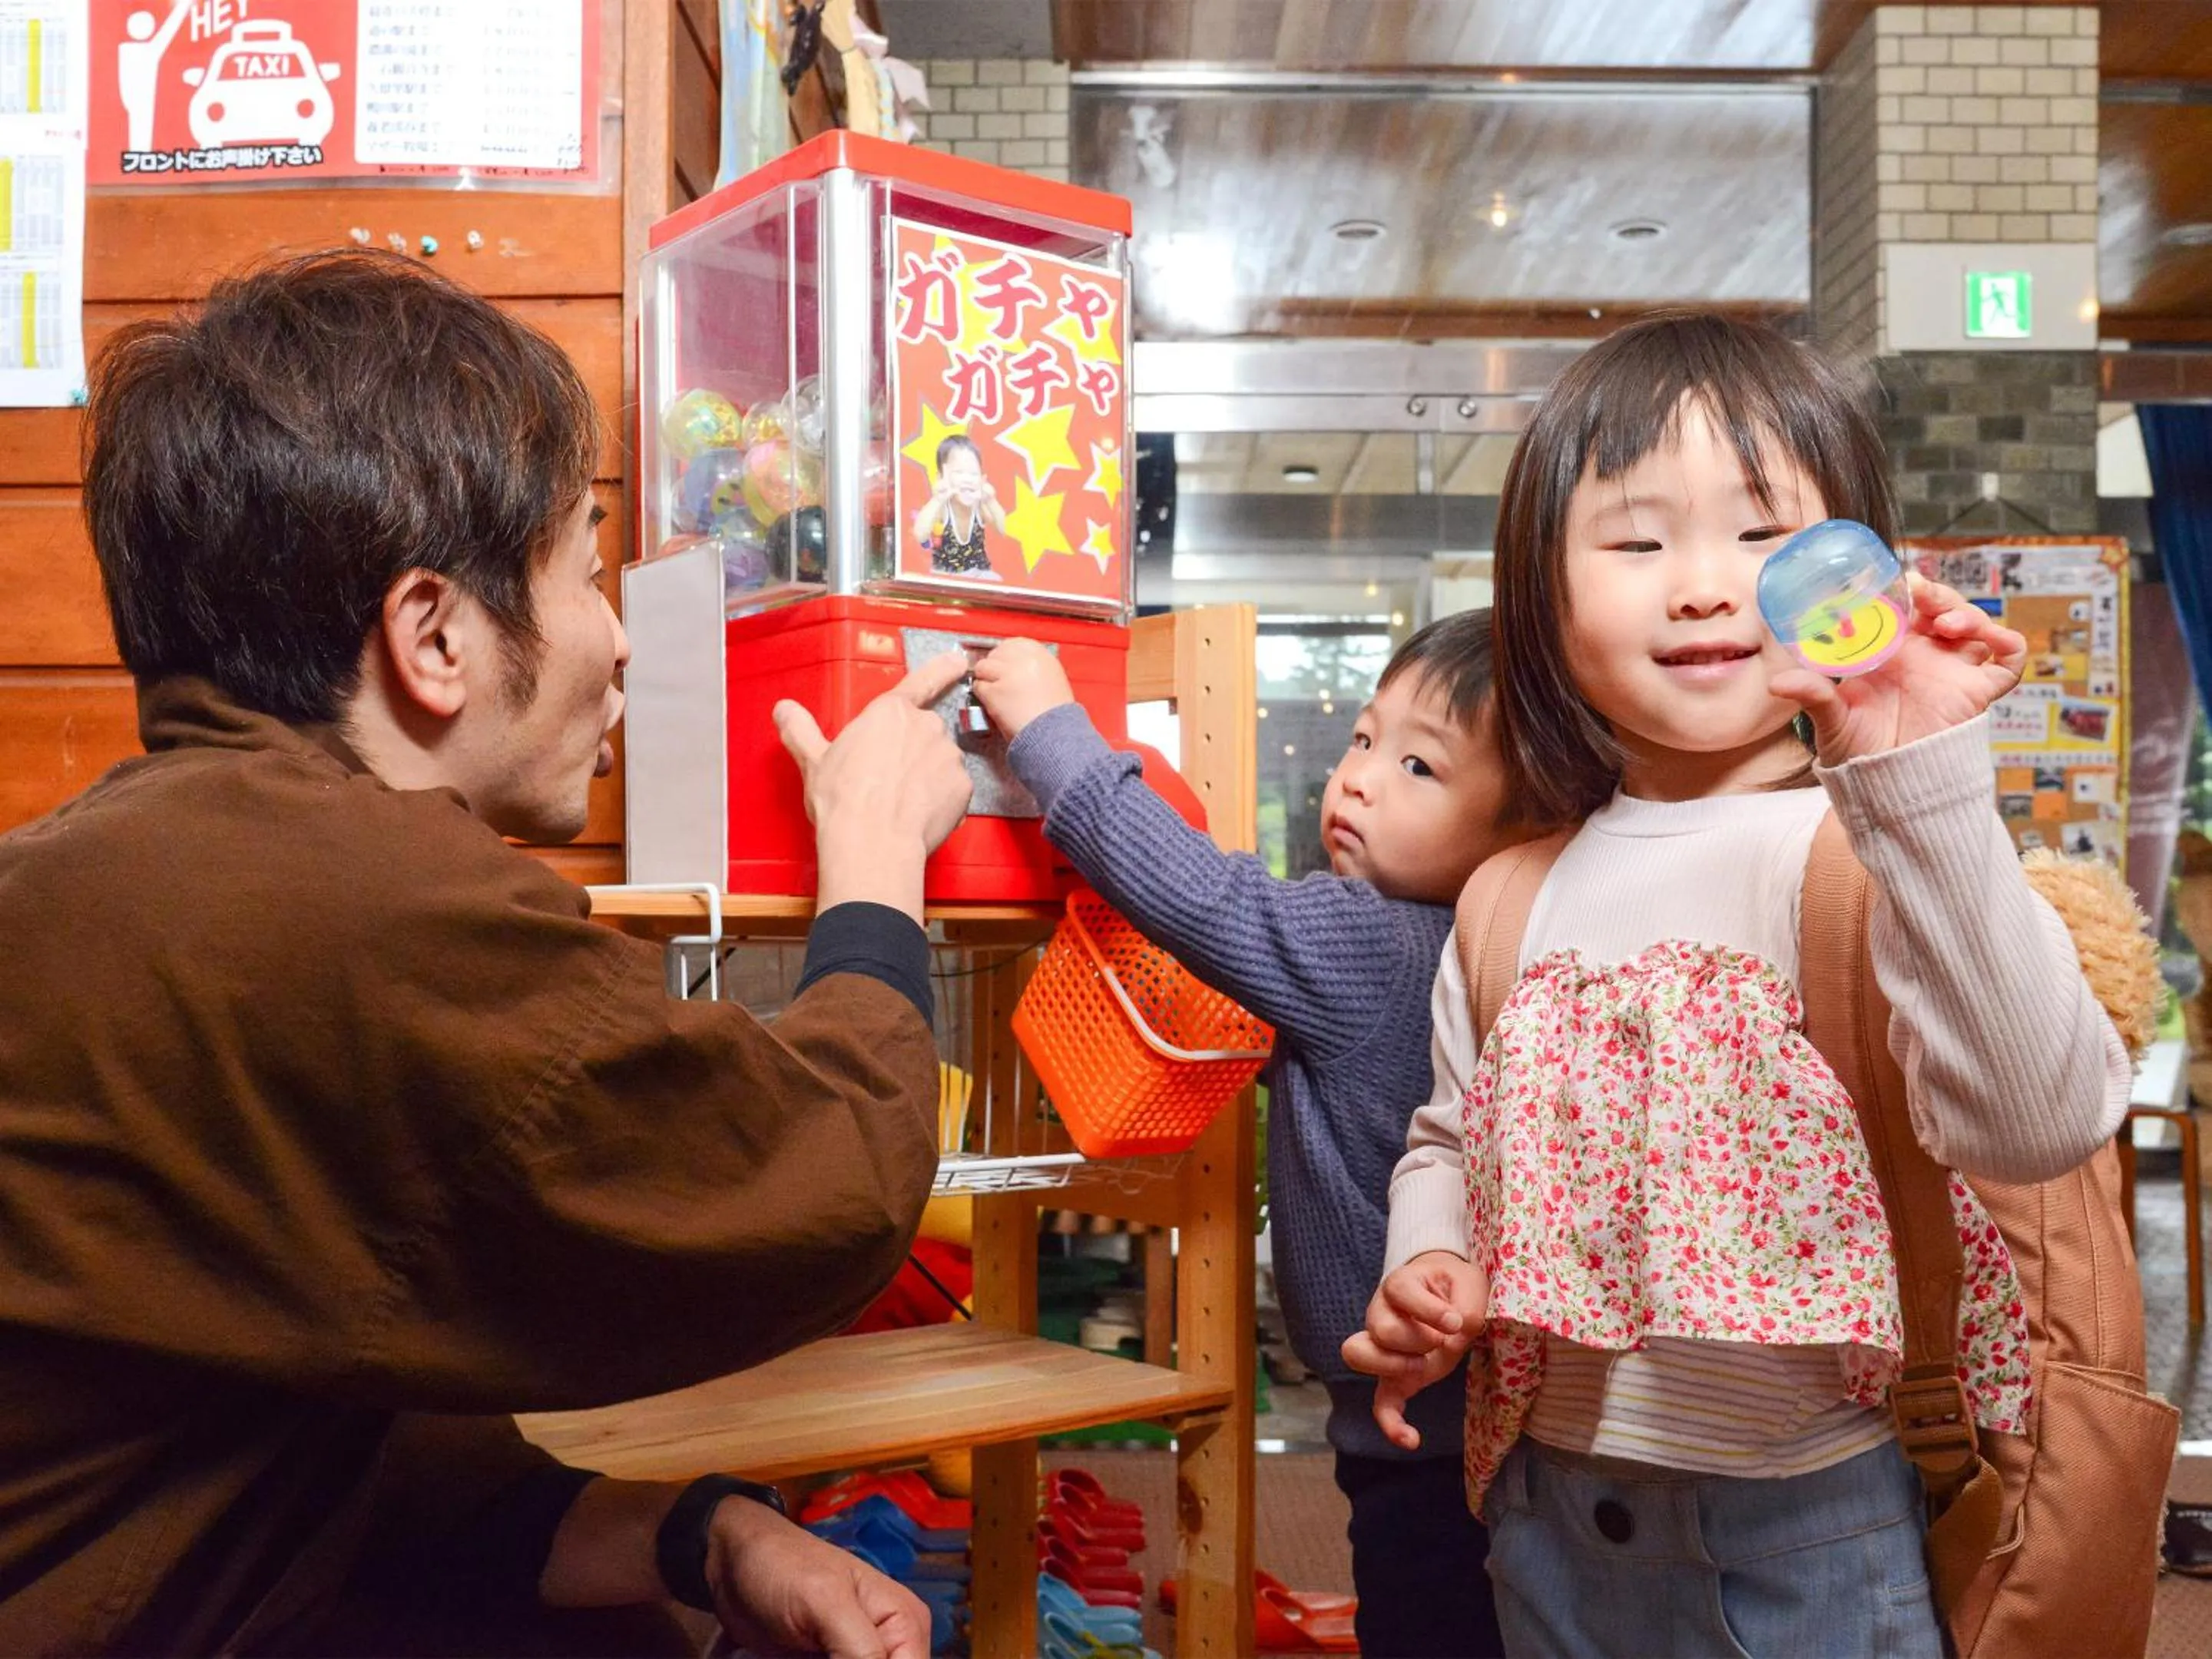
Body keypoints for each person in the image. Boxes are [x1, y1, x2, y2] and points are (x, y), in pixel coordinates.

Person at [0, 249, 975, 1657]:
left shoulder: (115, 865)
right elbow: (818, 1180)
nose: (622, 641)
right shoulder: (360, 907)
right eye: (585, 568)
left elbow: (292, 1447)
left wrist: (714, 1532)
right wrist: (877, 867)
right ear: (435, 637)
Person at [1345, 314, 2132, 1657]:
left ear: (1855, 569)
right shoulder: (1509, 896)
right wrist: (1429, 1254)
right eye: (1639, 542)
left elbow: (2039, 1119)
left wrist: (1923, 786)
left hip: (1822, 1513)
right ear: (1541, 595)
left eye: (1768, 535)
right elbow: (1447, 1134)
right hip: (1545, 1498)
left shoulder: (1872, 852)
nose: (1703, 586)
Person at [972, 614, 1532, 1657]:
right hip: (1457, 1430)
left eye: (1419, 765)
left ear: (1521, 834)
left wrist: (1051, 731)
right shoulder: (1461, 949)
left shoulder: (1378, 943)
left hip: (1425, 1449)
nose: (1359, 779)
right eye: (1365, 740)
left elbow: (1209, 901)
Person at [913, 435, 1005, 578]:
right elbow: (920, 535)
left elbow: (1003, 529)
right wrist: (937, 500)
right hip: (945, 574)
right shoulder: (943, 509)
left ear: (982, 479)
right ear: (940, 478)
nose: (967, 480)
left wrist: (992, 501)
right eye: (959, 473)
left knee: (995, 578)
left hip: (978, 573)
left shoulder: (980, 507)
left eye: (973, 474)